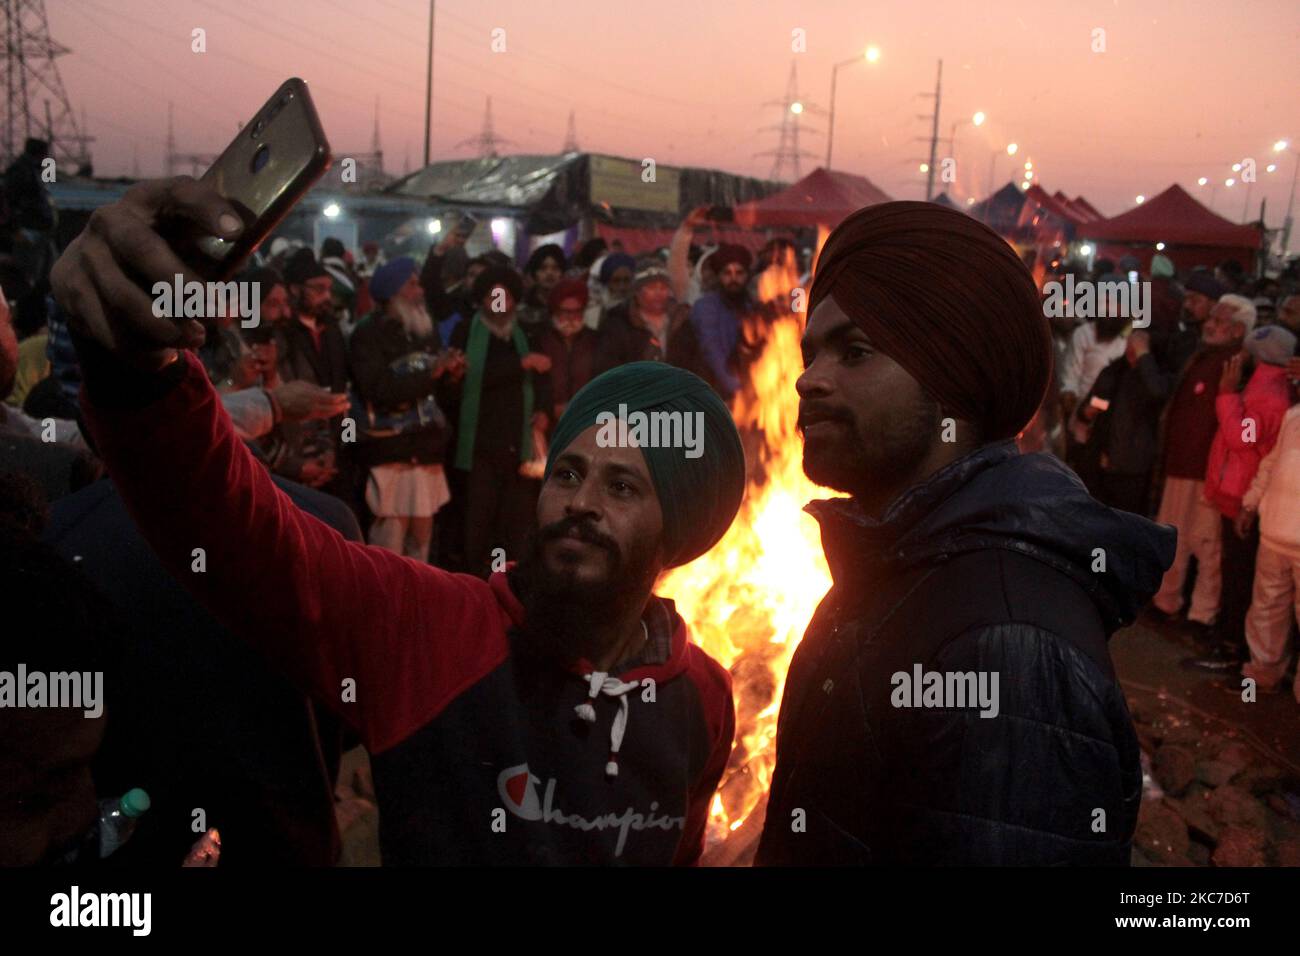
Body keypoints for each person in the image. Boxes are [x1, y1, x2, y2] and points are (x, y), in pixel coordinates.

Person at [49, 176, 746, 863]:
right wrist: (138, 368)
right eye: (568, 472)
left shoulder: (704, 703)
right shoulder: (429, 630)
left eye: (623, 486)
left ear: (678, 532)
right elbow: (240, 536)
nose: (581, 502)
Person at [754, 201, 1174, 866]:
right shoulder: (899, 559)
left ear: (951, 382)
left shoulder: (1008, 648)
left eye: (854, 352)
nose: (809, 378)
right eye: (811, 352)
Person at [1187, 324, 1296, 670]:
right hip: (1235, 493)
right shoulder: (1264, 385)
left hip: (1244, 496)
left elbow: (1243, 437)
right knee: (1233, 573)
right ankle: (1230, 643)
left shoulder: (1271, 393)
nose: (1239, 357)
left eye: (1246, 352)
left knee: (1241, 580)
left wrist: (1226, 394)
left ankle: (1236, 650)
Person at [1150, 294, 1257, 634]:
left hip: (1208, 472)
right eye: (1212, 318)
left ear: (1239, 329)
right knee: (1174, 537)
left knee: (1207, 545)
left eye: (1220, 320)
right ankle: (1166, 602)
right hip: (1181, 465)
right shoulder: (1206, 356)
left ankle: (1201, 615)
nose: (1210, 324)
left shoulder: (1236, 364)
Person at [348, 257, 464, 559]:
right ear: (393, 292)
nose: (421, 291)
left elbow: (436, 393)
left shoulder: (424, 329)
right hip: (390, 455)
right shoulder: (367, 334)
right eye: (412, 284)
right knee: (387, 548)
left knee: (421, 547)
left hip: (426, 451)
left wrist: (451, 375)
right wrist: (433, 373)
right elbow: (378, 389)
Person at [445, 265, 552, 576]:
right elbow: (466, 381)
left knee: (514, 522)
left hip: (517, 447)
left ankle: (507, 582)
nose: (499, 304)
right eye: (493, 297)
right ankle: (476, 582)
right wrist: (519, 364)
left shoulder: (525, 335)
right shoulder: (466, 332)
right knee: (478, 521)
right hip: (478, 446)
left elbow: (543, 381)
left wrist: (543, 411)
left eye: (505, 297)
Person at [1238, 401, 1300, 702]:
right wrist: (1251, 502)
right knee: (1266, 608)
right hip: (1274, 531)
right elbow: (1272, 463)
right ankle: (1261, 677)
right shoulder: (1293, 415)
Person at [1080, 328, 1168, 515]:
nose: (1133, 348)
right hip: (1100, 462)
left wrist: (1144, 358)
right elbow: (1093, 404)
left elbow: (1157, 393)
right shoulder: (1113, 372)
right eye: (1131, 342)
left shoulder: (1155, 378)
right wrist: (1089, 410)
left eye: (1139, 344)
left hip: (1132, 468)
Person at [688, 243, 755, 401]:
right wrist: (737, 389)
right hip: (713, 391)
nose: (733, 279)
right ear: (719, 276)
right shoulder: (706, 307)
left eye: (739, 273)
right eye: (727, 273)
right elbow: (711, 349)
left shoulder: (751, 307)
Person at [533, 277, 602, 424]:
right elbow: (536, 384)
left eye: (576, 311)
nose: (571, 318)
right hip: (548, 422)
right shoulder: (540, 340)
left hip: (587, 420)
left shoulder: (595, 340)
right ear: (554, 312)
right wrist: (548, 408)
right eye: (565, 311)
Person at [517, 243, 567, 327]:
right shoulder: (522, 306)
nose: (549, 273)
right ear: (535, 273)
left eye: (555, 268)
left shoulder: (569, 305)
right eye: (543, 268)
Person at [584, 252, 635, 330]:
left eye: (626, 280)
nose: (622, 286)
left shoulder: (637, 309)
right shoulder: (593, 309)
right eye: (616, 281)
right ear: (607, 282)